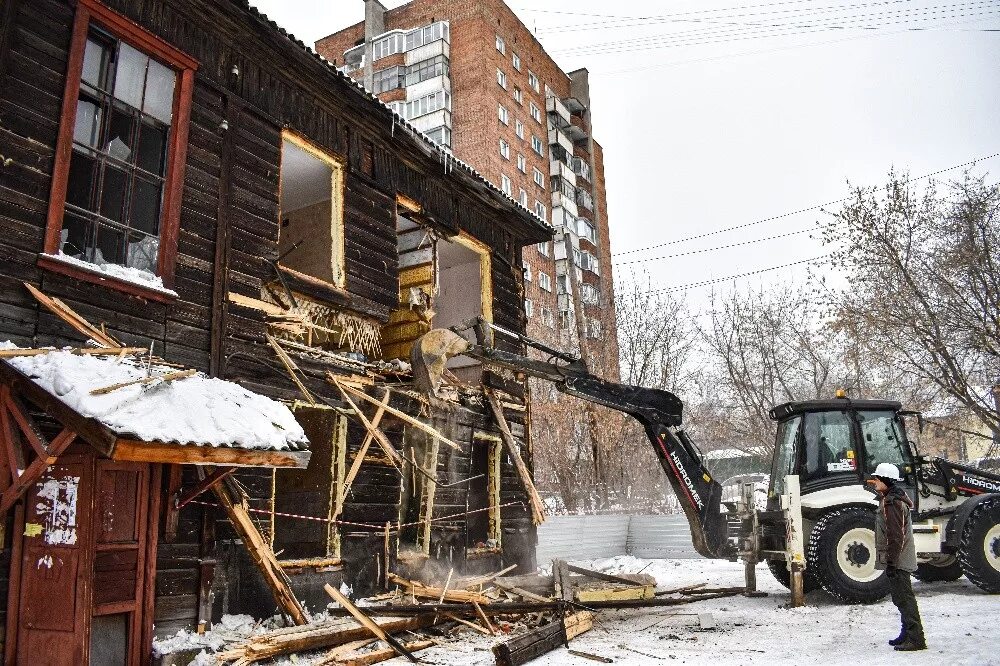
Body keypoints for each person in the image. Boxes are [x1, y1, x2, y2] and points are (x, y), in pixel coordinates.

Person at [869, 462, 926, 651]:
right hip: (898, 557)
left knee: (905, 598)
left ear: (885, 480)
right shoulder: (891, 499)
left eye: (877, 478)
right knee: (900, 598)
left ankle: (916, 638)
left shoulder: (892, 503)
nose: (875, 481)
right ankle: (906, 633)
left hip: (899, 558)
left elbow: (896, 536)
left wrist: (892, 563)